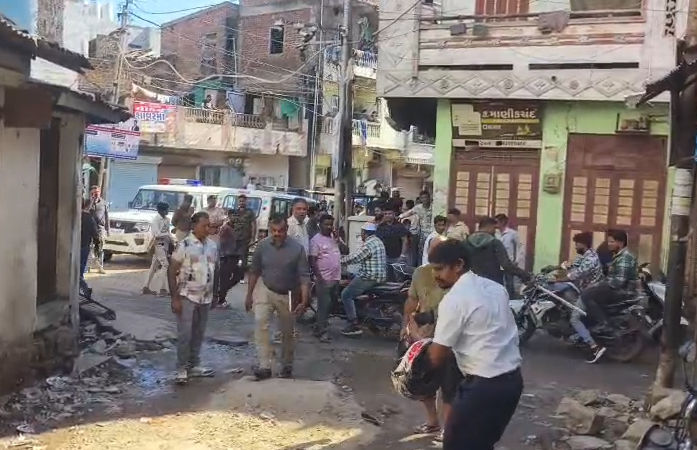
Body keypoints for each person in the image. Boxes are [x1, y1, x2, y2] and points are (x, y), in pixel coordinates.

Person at [426, 240, 523, 449]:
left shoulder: (455, 300)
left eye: (439, 269)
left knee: (457, 444)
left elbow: (436, 356)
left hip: (484, 386)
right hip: (513, 382)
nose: (435, 275)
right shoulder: (496, 289)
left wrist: (417, 352)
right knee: (482, 443)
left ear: (459, 265)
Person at [401, 240, 460, 439]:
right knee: (424, 379)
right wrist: (406, 326)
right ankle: (432, 422)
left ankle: (448, 428)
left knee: (449, 383)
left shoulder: (457, 276)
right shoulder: (420, 273)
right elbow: (412, 300)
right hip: (425, 334)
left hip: (450, 335)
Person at [245, 215, 311, 380]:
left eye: (280, 231)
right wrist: (249, 295)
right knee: (260, 324)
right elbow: (254, 271)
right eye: (273, 231)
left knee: (287, 332)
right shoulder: (262, 246)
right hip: (265, 289)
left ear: (286, 230)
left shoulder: (297, 249)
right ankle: (264, 366)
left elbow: (304, 276)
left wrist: (304, 300)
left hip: (288, 294)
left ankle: (287, 365)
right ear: (270, 230)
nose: (277, 234)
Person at [168, 212, 218, 385]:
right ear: (194, 226)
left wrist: (215, 294)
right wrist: (174, 298)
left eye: (209, 225)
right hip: (187, 296)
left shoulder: (212, 246)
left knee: (198, 332)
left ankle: (194, 364)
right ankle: (181, 368)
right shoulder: (184, 245)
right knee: (185, 334)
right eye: (204, 226)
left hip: (206, 297)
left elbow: (215, 269)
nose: (208, 228)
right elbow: (171, 271)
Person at [581, 229, 637, 362]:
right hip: (617, 289)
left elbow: (619, 281)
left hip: (621, 291)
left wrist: (597, 286)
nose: (609, 244)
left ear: (620, 243)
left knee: (587, 295)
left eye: (612, 242)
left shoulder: (625, 256)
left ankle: (604, 324)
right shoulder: (618, 255)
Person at [553, 232, 605, 363]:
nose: (575, 246)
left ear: (584, 244)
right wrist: (558, 269)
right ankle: (578, 336)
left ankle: (594, 347)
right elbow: (573, 267)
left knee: (574, 318)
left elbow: (575, 274)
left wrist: (557, 280)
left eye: (577, 244)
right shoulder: (585, 256)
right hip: (586, 290)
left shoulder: (590, 259)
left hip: (590, 292)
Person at [339, 222, 387, 337]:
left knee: (346, 295)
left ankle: (353, 324)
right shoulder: (378, 241)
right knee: (351, 278)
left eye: (362, 233)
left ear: (364, 233)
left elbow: (356, 257)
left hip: (369, 277)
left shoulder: (369, 244)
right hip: (379, 276)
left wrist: (338, 260)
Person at [464, 217, 530, 288]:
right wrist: (525, 275)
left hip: (471, 283)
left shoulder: (466, 242)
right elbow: (506, 265)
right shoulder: (495, 243)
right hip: (492, 284)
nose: (495, 231)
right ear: (489, 227)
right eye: (494, 228)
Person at [218, 195, 257, 307]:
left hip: (244, 242)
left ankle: (222, 291)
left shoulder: (250, 212)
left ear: (246, 201)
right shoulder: (233, 213)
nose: (241, 202)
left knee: (241, 270)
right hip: (232, 246)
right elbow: (225, 228)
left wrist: (253, 238)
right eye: (240, 201)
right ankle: (221, 294)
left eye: (243, 201)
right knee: (228, 271)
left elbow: (254, 225)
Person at [309, 214, 341, 342]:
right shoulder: (316, 240)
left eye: (330, 224)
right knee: (324, 304)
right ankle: (322, 332)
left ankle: (318, 326)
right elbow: (312, 260)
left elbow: (346, 250)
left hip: (335, 277)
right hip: (323, 278)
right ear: (320, 225)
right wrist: (319, 277)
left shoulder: (334, 238)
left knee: (331, 304)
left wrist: (338, 239)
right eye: (326, 224)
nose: (328, 227)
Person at [142, 202, 172, 296]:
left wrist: (171, 240)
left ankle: (146, 286)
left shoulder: (167, 219)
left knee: (154, 266)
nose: (167, 211)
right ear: (161, 210)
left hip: (165, 245)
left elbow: (168, 232)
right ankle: (162, 288)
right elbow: (157, 234)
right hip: (158, 244)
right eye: (166, 209)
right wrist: (167, 235)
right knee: (165, 265)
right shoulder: (155, 220)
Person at [494, 214, 525, 298]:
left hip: (509, 262)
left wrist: (517, 260)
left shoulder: (512, 233)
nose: (495, 224)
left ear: (502, 222)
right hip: (497, 262)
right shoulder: (495, 234)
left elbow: (520, 247)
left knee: (509, 282)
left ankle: (511, 298)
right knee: (498, 281)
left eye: (496, 222)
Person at [400, 191, 434, 264]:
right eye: (422, 198)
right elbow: (408, 213)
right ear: (420, 199)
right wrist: (399, 217)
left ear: (429, 198)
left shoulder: (434, 207)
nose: (424, 199)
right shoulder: (418, 207)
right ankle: (420, 266)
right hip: (422, 233)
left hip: (433, 233)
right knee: (422, 252)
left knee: (432, 252)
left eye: (426, 197)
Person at [376, 208, 409, 280]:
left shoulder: (400, 226)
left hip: (398, 257)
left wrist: (403, 255)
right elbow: (378, 241)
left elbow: (405, 241)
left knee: (398, 278)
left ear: (394, 215)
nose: (387, 215)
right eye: (385, 214)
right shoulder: (380, 226)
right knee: (386, 278)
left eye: (389, 214)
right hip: (384, 256)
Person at [80, 198, 100, 297]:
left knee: (77, 270)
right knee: (80, 270)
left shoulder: (77, 216)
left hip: (76, 246)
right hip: (84, 246)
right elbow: (95, 234)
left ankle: (82, 289)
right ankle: (85, 289)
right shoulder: (89, 218)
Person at [89, 185, 109, 274]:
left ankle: (100, 267)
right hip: (89, 229)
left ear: (100, 192)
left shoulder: (104, 203)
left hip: (100, 229)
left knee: (100, 248)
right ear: (91, 193)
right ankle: (88, 267)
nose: (96, 194)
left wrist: (108, 230)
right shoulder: (88, 202)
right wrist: (91, 201)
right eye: (94, 192)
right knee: (89, 248)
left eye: (97, 192)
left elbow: (107, 217)